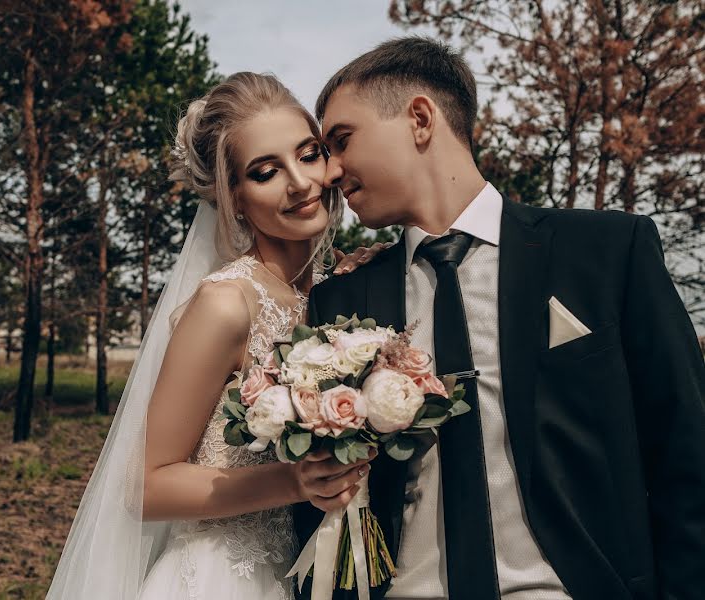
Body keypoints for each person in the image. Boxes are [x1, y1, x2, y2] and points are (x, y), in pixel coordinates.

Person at [294, 37, 705, 600]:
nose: (330, 171)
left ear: (419, 119)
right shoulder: (340, 303)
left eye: (342, 140)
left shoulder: (608, 253)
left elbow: (687, 453)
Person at [46, 72, 384, 600]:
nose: (299, 182)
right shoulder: (227, 303)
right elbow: (144, 486)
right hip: (225, 577)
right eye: (266, 171)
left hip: (317, 570)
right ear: (234, 198)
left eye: (310, 153)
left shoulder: (342, 291)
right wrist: (295, 481)